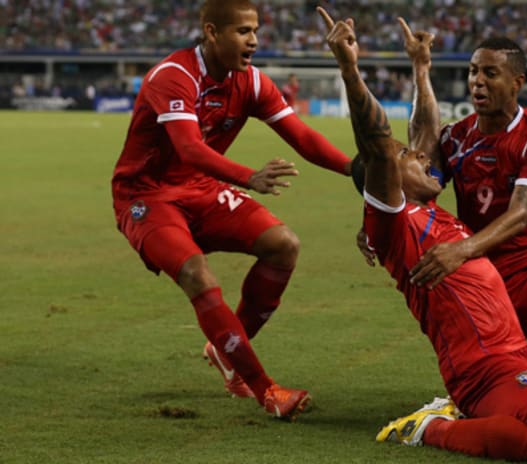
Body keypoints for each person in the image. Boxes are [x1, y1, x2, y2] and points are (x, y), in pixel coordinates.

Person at [319, 8, 527, 463]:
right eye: (408, 156)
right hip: (484, 370)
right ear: (388, 180)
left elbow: (426, 131)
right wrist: (350, 69)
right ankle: (431, 428)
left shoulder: (438, 212)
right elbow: (376, 145)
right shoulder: (396, 223)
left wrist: (421, 69)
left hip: (525, 353)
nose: (421, 154)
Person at [111, 0, 352, 421]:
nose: (254, 40)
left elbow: (301, 136)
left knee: (283, 245)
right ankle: (267, 391)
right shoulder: (175, 76)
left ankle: (223, 347)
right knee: (195, 273)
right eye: (243, 31)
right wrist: (248, 176)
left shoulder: (252, 82)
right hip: (146, 196)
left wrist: (353, 168)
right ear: (211, 32)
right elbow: (188, 147)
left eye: (255, 30)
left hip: (200, 188)